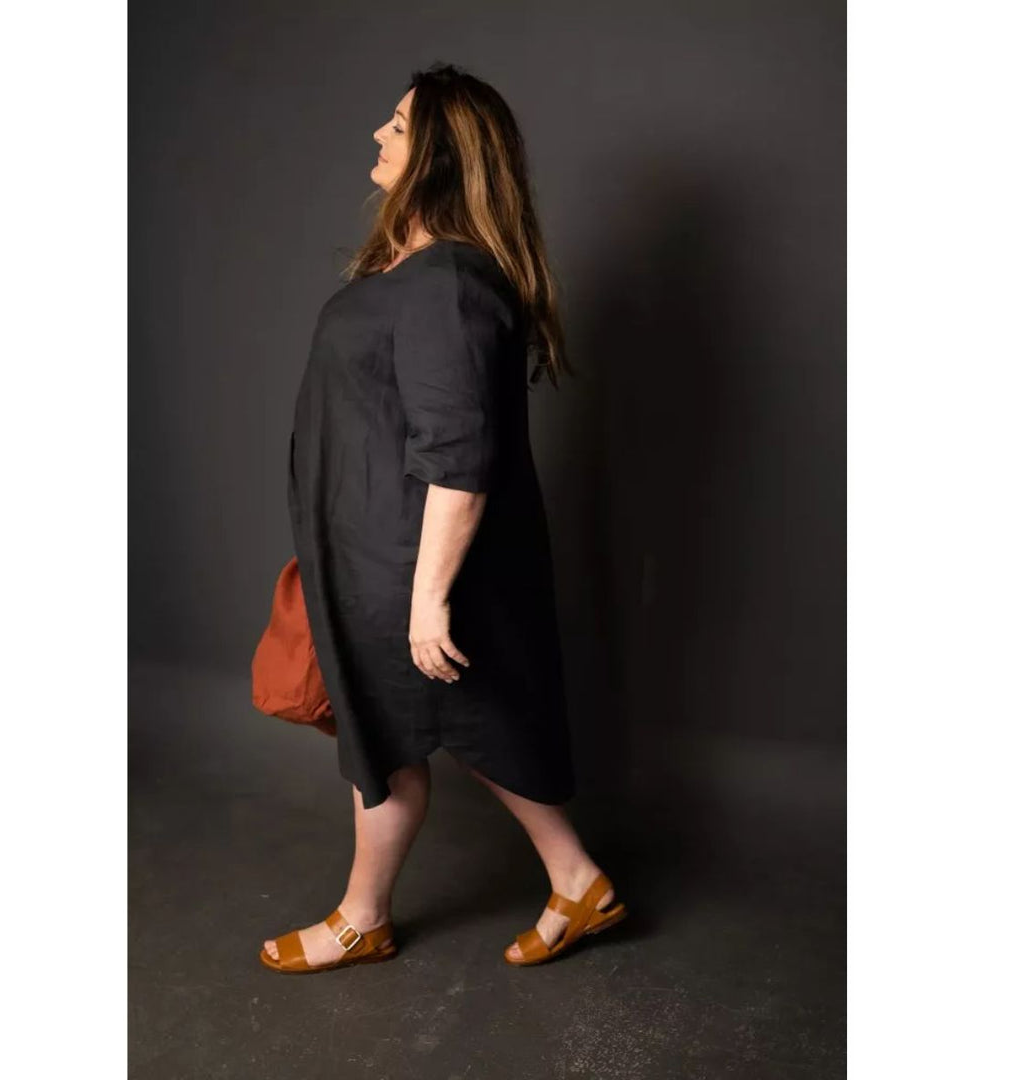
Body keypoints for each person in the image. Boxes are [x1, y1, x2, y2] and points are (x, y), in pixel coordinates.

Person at [260, 63, 627, 974]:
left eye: (396, 124)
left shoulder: (448, 281)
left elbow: (459, 458)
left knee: (391, 735)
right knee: (449, 724)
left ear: (439, 152)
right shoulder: (418, 270)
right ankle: (578, 879)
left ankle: (362, 917)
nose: (378, 136)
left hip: (405, 561)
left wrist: (428, 598)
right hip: (371, 551)